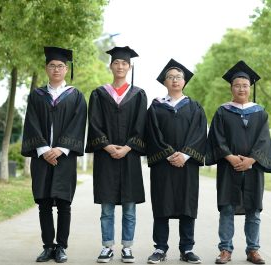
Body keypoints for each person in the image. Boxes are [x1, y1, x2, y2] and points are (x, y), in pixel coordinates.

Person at [21, 46, 87, 263]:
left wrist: (60, 149)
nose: (56, 69)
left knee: (64, 203)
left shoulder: (76, 96)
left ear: (66, 69)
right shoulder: (37, 96)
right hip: (42, 157)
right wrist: (43, 149)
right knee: (44, 203)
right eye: (52, 65)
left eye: (60, 66)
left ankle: (61, 247)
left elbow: (78, 124)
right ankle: (48, 246)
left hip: (64, 158)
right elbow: (31, 122)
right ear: (46, 68)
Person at [206, 61, 271, 265]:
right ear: (231, 88)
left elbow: (264, 139)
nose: (241, 88)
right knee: (227, 208)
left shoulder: (260, 112)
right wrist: (230, 157)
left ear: (250, 87)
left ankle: (253, 250)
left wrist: (252, 160)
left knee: (253, 209)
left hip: (253, 169)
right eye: (237, 85)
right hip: (229, 167)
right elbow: (217, 138)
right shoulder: (223, 111)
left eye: (245, 85)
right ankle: (225, 249)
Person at [85, 46, 147, 263]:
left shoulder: (138, 94)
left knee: (129, 207)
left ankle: (127, 247)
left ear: (129, 67)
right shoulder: (99, 94)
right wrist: (107, 146)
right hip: (106, 156)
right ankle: (107, 246)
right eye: (116, 63)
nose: (120, 66)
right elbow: (94, 123)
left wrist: (129, 147)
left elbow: (142, 125)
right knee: (107, 206)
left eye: (124, 63)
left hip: (129, 157)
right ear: (110, 65)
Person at [145, 59, 207, 264]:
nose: (175, 80)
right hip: (163, 165)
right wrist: (170, 154)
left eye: (178, 77)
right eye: (170, 77)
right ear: (165, 81)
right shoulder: (155, 107)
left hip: (187, 165)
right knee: (162, 205)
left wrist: (185, 155)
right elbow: (151, 133)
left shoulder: (195, 107)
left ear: (184, 81)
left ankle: (187, 249)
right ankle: (160, 248)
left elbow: (200, 134)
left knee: (187, 205)